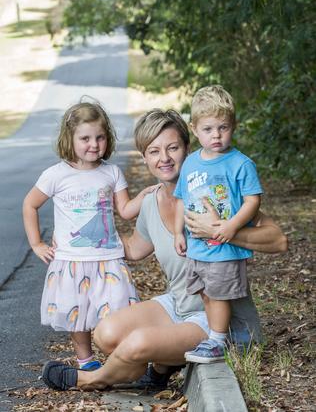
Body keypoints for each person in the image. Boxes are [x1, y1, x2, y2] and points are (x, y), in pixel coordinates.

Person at [40, 108, 287, 391]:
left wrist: (222, 230)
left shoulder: (216, 191)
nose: (164, 159)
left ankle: (90, 379)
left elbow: (278, 241)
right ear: (144, 158)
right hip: (178, 305)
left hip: (221, 321)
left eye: (173, 148)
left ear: (188, 148)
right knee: (106, 333)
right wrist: (75, 243)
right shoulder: (150, 203)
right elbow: (132, 248)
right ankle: (162, 363)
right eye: (154, 151)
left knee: (138, 342)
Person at [23, 101, 159, 372]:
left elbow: (125, 210)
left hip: (108, 258)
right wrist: (36, 243)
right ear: (69, 139)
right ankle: (85, 361)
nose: (93, 144)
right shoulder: (56, 175)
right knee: (79, 315)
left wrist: (144, 196)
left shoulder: (111, 172)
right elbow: (30, 204)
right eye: (85, 138)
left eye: (100, 137)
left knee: (118, 311)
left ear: (107, 138)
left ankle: (121, 360)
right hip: (72, 260)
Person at [174, 85, 263, 363]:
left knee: (220, 294)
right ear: (195, 129)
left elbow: (252, 200)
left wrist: (231, 227)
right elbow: (181, 198)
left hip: (224, 247)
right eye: (208, 129)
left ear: (233, 127)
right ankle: (217, 337)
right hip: (198, 248)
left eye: (223, 128)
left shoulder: (240, 164)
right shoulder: (190, 163)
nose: (216, 135)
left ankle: (217, 340)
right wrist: (178, 231)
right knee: (206, 293)